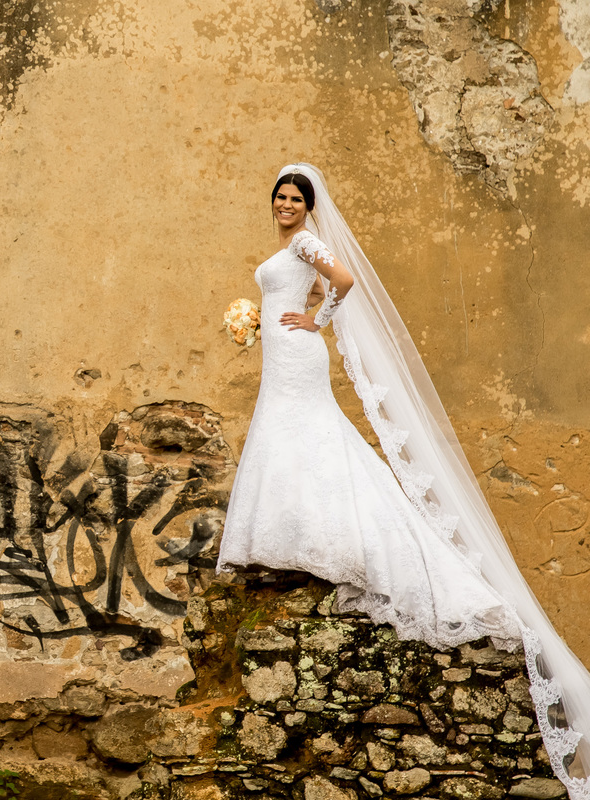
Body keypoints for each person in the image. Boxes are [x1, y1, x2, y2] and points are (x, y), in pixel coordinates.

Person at [217, 163, 590, 797]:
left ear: (309, 206)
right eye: (279, 196)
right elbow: (307, 285)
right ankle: (291, 532)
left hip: (299, 354)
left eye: (294, 198)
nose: (284, 204)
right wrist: (268, 319)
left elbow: (344, 278)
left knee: (309, 435)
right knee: (294, 437)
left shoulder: (306, 242)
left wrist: (319, 320)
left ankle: (327, 538)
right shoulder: (287, 248)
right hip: (282, 357)